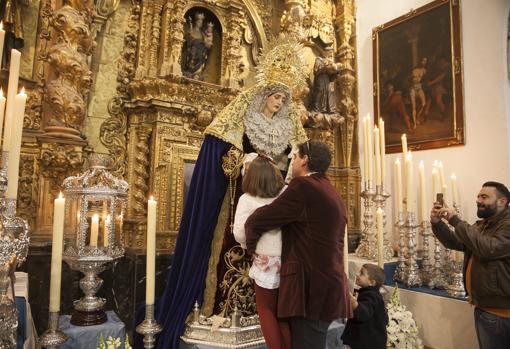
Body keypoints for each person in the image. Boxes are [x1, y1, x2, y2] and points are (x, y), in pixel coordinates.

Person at [152, 40, 308, 349]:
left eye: (283, 98)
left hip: (276, 201)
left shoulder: (288, 123)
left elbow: (297, 155)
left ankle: (273, 319)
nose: (279, 103)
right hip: (243, 198)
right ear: (265, 95)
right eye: (275, 96)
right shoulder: (242, 113)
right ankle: (225, 311)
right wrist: (246, 161)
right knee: (231, 250)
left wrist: (286, 170)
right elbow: (219, 149)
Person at [245, 140, 352, 349]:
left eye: (294, 157)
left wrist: (251, 246)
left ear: (305, 160)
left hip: (311, 289)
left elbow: (263, 218)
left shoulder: (304, 186)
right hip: (329, 284)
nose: (291, 163)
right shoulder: (329, 188)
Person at [430, 181, 510, 349]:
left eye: (484, 197)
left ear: (502, 201)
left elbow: (488, 248)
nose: (478, 200)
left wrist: (455, 220)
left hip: (501, 313)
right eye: (478, 196)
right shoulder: (482, 225)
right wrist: (438, 224)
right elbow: (456, 242)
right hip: (487, 308)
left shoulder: (507, 225)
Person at [233, 155, 290, 349]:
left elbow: (239, 232)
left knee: (266, 311)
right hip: (289, 258)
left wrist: (247, 245)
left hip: (265, 259)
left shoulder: (247, 199)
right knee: (284, 314)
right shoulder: (286, 192)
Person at [341, 264, 388, 349]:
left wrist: (354, 303)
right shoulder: (371, 293)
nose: (357, 274)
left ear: (372, 282)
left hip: (367, 343)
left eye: (362, 273)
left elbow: (364, 312)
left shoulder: (372, 295)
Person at [182, 12, 213, 80]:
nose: (200, 23)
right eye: (199, 21)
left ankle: (197, 74)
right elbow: (186, 39)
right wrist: (194, 41)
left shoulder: (203, 34)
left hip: (200, 55)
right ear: (195, 22)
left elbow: (207, 45)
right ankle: (189, 72)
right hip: (191, 53)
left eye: (201, 22)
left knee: (200, 64)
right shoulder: (191, 30)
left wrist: (206, 44)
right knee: (190, 63)